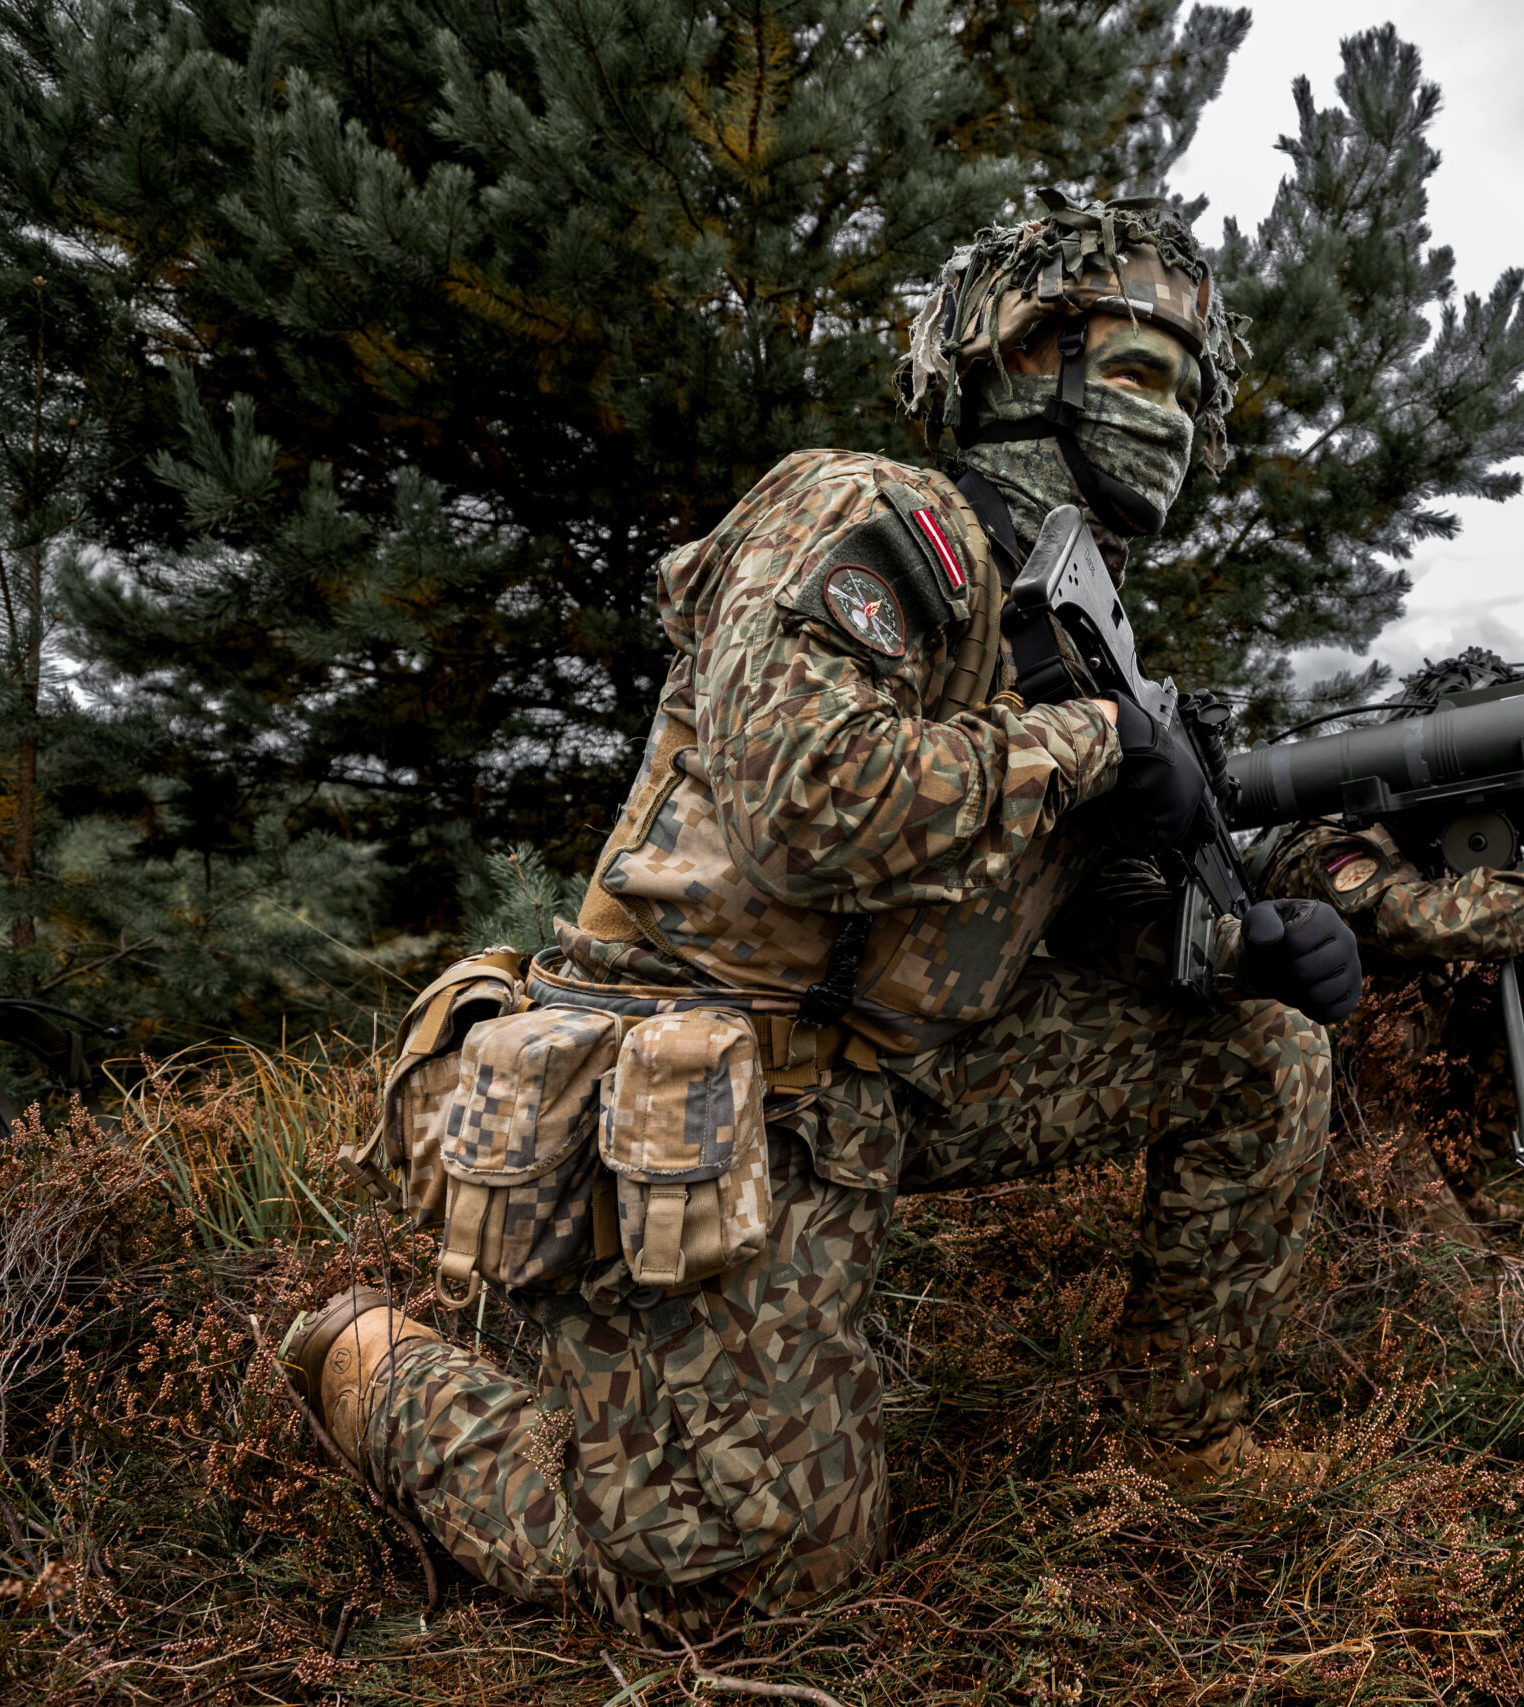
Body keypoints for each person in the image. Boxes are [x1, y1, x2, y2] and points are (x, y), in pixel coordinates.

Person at [283, 194, 1363, 1635]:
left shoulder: (1080, 625)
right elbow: (813, 809)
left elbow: (1057, 906)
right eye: (1143, 373)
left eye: (1189, 395)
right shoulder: (862, 514)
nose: (1173, 424)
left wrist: (1247, 942)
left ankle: (1186, 1432)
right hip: (716, 1088)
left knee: (1260, 1052)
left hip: (899, 1068)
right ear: (1019, 356)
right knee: (739, 1574)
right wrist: (1096, 749)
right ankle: (361, 1357)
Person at [1246, 648, 1524, 1242]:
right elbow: (1420, 921)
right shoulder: (1332, 836)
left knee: (1518, 979)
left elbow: (1493, 936)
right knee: (1457, 1275)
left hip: (1399, 1048)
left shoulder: (1432, 836)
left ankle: (1462, 1181)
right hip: (1326, 1077)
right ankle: (1379, 1209)